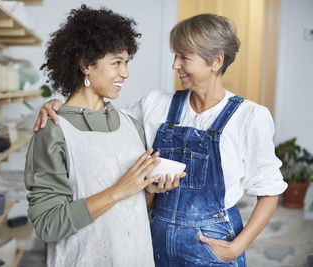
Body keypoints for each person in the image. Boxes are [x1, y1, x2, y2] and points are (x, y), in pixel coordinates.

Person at [33, 13, 288, 266]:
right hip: (155, 247)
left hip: (212, 250)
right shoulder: (155, 105)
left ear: (216, 61)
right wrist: (58, 106)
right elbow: (100, 125)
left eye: (184, 57)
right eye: (175, 55)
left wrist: (236, 248)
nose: (175, 65)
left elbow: (269, 191)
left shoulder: (250, 117)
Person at [25, 5, 185, 267]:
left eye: (126, 62)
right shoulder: (54, 130)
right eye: (116, 63)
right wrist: (118, 191)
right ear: (86, 65)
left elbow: (131, 211)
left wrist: (149, 192)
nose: (125, 73)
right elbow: (48, 225)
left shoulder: (131, 125)